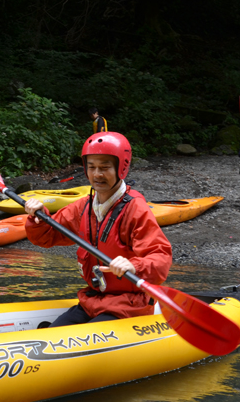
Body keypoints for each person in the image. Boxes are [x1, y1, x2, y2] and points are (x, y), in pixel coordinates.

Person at [24, 132, 172, 327]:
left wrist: (134, 266)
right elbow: (46, 237)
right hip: (92, 301)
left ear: (121, 168)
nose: (97, 175)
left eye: (104, 167)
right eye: (91, 167)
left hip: (128, 306)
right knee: (51, 332)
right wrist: (39, 218)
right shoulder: (83, 207)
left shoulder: (135, 209)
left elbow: (160, 257)